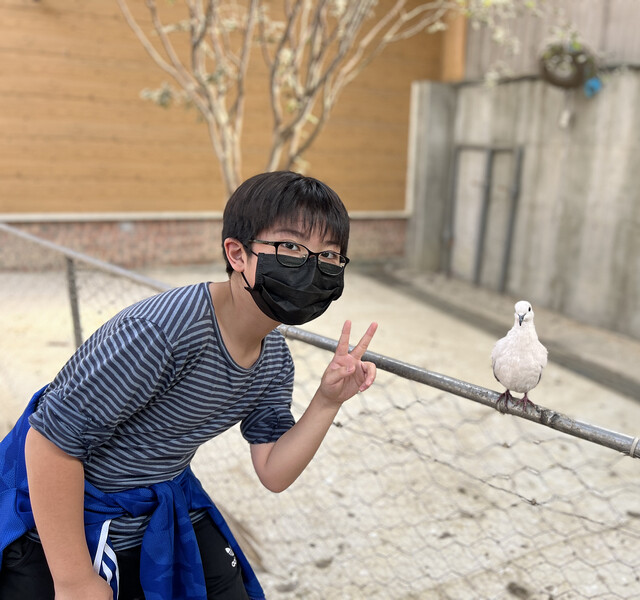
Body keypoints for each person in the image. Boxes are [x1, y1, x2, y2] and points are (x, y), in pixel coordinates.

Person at [0, 171, 378, 600]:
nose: (311, 267)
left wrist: (327, 402)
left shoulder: (273, 359)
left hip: (163, 496)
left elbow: (273, 470)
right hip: (61, 509)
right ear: (237, 253)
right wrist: (74, 581)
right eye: (290, 246)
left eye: (329, 255)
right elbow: (49, 442)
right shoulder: (161, 332)